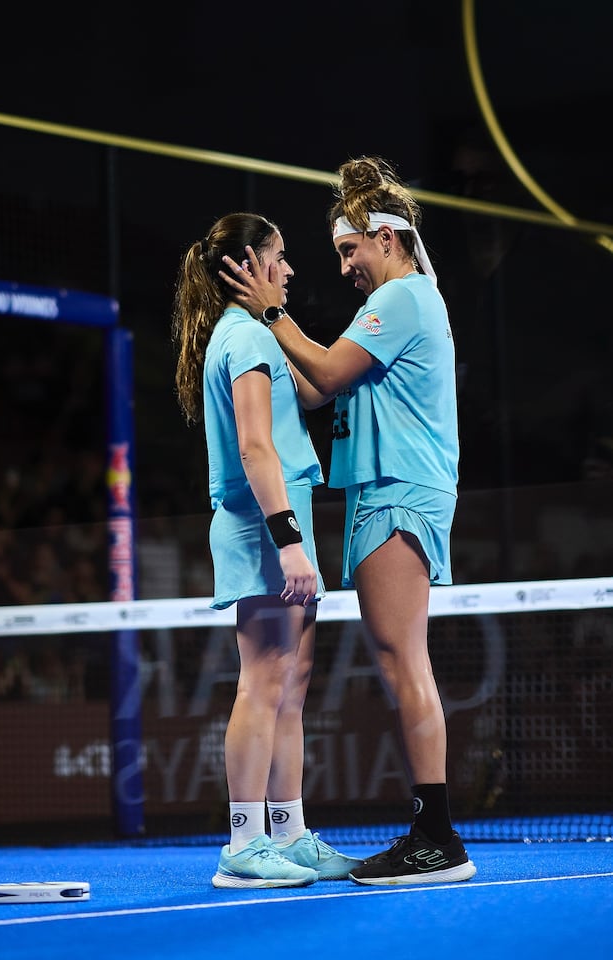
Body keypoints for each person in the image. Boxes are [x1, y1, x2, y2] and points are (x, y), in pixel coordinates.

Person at [219, 156, 477, 886]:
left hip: (399, 491)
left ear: (387, 239)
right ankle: (430, 830)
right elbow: (313, 390)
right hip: (379, 492)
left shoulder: (404, 299)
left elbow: (327, 373)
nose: (342, 267)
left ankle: (437, 837)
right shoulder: (400, 304)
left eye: (349, 250)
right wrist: (264, 332)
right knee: (398, 664)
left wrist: (272, 312)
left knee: (404, 664)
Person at [171, 212, 362, 889]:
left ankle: (289, 833)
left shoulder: (257, 332)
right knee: (262, 682)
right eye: (278, 257)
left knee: (290, 685)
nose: (289, 267)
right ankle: (243, 846)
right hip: (264, 529)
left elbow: (318, 388)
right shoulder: (243, 338)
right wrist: (288, 543)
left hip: (284, 523)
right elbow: (255, 448)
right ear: (248, 264)